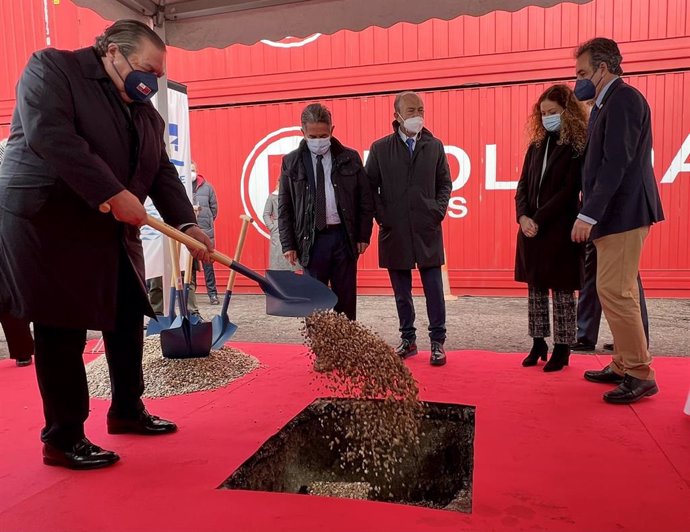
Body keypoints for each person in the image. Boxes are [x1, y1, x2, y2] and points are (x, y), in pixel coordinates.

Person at [0, 19, 213, 469]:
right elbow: (52, 136)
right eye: (148, 69)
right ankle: (63, 438)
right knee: (62, 326)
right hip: (49, 221)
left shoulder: (143, 113)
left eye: (158, 75)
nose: (152, 81)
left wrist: (188, 224)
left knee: (126, 313)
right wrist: (112, 193)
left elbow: (161, 172)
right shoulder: (53, 69)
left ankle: (127, 409)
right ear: (113, 52)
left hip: (111, 225)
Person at [571, 37, 664, 404]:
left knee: (617, 291)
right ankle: (623, 363)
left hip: (623, 212)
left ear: (603, 68)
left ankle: (640, 372)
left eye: (581, 71)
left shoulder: (623, 100)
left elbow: (616, 163)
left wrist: (587, 213)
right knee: (612, 290)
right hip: (615, 214)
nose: (576, 79)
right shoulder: (604, 104)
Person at [365, 91, 452, 366]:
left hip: (427, 228)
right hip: (395, 229)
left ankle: (438, 342)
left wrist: (436, 211)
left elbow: (445, 184)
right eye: (411, 111)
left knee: (434, 289)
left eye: (420, 110)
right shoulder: (380, 149)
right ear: (397, 116)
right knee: (401, 292)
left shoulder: (434, 146)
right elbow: (370, 189)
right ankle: (408, 340)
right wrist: (383, 217)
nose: (417, 116)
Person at [514, 84, 587, 372]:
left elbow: (569, 191)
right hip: (531, 231)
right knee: (535, 290)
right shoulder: (535, 146)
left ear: (567, 112)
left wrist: (538, 219)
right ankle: (538, 342)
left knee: (563, 292)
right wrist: (522, 217)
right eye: (543, 113)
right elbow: (521, 187)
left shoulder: (575, 148)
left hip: (559, 230)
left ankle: (563, 348)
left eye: (553, 112)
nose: (547, 117)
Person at [278, 103, 373, 320]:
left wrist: (363, 235)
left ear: (332, 130)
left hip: (343, 238)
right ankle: (321, 351)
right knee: (314, 302)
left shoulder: (350, 157)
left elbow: (365, 201)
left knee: (345, 301)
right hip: (311, 240)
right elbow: (285, 206)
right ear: (303, 132)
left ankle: (345, 349)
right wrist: (288, 243)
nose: (318, 140)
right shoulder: (291, 162)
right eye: (313, 136)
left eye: (323, 134)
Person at [571, 240, 649, 352]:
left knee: (626, 278)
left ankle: (634, 339)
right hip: (611, 228)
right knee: (627, 278)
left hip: (613, 228)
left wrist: (588, 221)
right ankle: (634, 339)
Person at [0, 138, 34, 367]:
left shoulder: (7, 148)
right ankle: (22, 349)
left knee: (8, 290)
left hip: (9, 224)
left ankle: (23, 349)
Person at [191, 161, 220, 304]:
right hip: (189, 231)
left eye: (193, 169)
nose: (191, 172)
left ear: (197, 170)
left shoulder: (207, 187)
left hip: (205, 230)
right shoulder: (182, 187)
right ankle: (190, 295)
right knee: (190, 264)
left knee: (208, 262)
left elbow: (214, 209)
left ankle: (213, 294)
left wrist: (207, 220)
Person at [263, 179, 300, 271]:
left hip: (292, 228)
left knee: (292, 255)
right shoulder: (272, 196)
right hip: (277, 230)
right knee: (278, 256)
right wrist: (272, 227)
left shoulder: (292, 195)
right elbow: (266, 214)